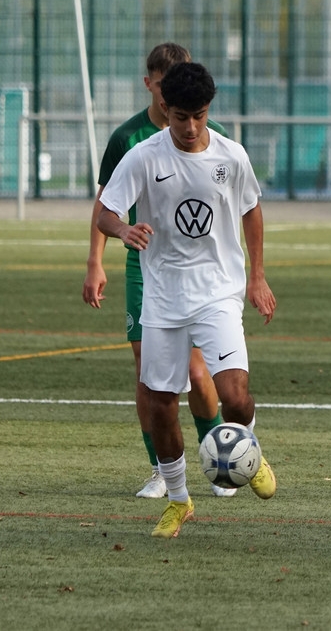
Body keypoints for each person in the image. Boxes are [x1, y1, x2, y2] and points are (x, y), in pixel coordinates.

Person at [97, 62, 278, 538]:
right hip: (163, 296)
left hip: (218, 292)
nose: (191, 126)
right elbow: (105, 211)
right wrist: (123, 229)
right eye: (181, 116)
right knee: (160, 401)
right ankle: (179, 500)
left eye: (199, 115)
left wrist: (258, 277)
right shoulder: (143, 156)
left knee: (234, 395)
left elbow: (251, 210)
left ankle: (251, 451)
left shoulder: (232, 156)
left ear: (208, 109)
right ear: (165, 107)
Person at [82, 43, 235, 499]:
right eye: (165, 87)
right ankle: (161, 469)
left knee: (198, 372)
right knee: (146, 372)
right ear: (151, 86)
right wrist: (95, 261)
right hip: (144, 265)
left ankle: (220, 459)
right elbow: (106, 204)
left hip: (198, 273)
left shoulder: (213, 134)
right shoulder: (128, 139)